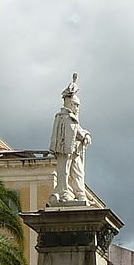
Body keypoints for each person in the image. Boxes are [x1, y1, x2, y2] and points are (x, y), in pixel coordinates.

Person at [48, 73, 91, 205]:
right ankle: (63, 192)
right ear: (70, 104)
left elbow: (79, 129)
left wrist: (86, 134)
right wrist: (84, 135)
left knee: (78, 172)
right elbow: (76, 130)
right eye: (76, 105)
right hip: (64, 150)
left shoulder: (71, 118)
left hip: (74, 151)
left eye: (78, 106)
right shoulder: (63, 116)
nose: (77, 108)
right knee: (64, 173)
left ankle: (80, 193)